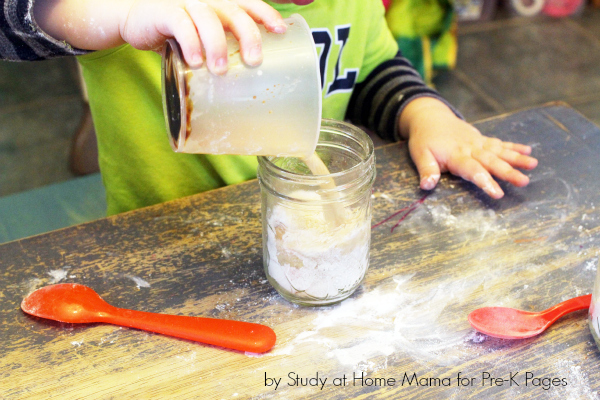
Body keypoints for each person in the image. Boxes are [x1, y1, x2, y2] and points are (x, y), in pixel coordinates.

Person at [1, 0, 537, 216]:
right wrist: (113, 15)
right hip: (173, 237)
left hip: (297, 220)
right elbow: (15, 20)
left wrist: (423, 112)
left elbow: (369, 65)